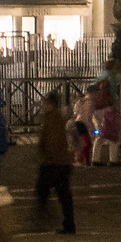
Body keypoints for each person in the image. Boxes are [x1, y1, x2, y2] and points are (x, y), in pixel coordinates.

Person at [33, 91, 77, 234]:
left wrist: (49, 156)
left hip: (55, 162)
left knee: (45, 189)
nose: (42, 105)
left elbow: (52, 140)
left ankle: (46, 218)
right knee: (62, 194)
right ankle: (67, 223)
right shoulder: (55, 117)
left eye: (44, 103)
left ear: (49, 103)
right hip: (60, 161)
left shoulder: (53, 118)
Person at [89, 76, 121, 165]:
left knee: (99, 137)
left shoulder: (94, 95)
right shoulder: (106, 95)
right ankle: (113, 159)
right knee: (113, 138)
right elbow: (110, 105)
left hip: (96, 115)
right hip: (106, 116)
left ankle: (95, 159)